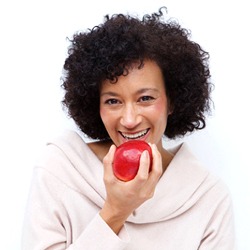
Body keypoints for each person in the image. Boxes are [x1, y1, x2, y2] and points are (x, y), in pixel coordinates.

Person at [21, 7, 235, 249]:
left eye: (145, 98)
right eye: (113, 101)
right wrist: (115, 212)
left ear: (172, 100)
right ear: (95, 104)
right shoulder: (60, 169)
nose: (130, 120)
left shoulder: (208, 197)